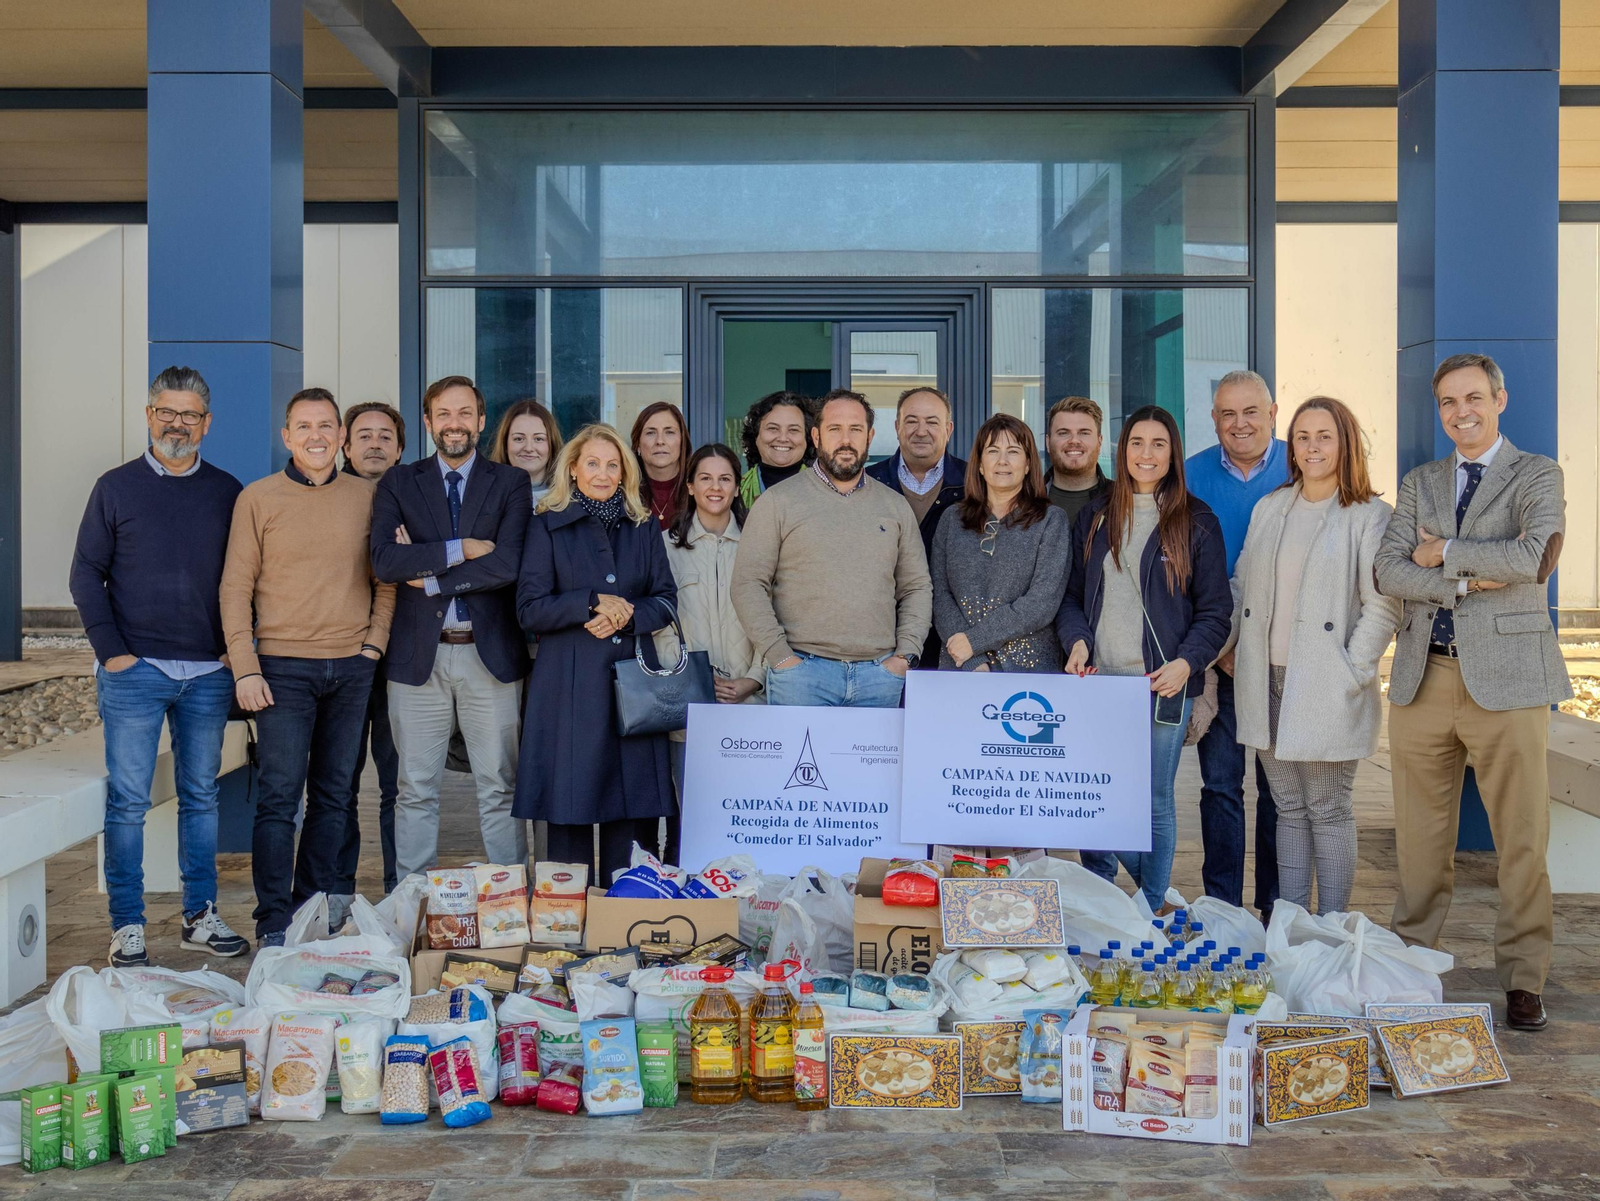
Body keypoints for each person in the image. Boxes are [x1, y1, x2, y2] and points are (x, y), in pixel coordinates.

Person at [1375, 352, 1571, 1032]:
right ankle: (1411, 962)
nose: (1461, 411)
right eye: (1448, 402)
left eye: (1473, 398)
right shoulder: (1421, 481)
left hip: (1511, 683)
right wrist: (1461, 579)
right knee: (1421, 843)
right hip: (1424, 677)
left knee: (1521, 838)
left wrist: (1444, 551)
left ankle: (1523, 979)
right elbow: (1389, 570)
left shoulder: (1537, 473)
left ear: (1500, 398)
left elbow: (1530, 558)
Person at [69, 365, 249, 967]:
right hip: (135, 670)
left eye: (189, 415)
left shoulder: (228, 491)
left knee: (201, 797)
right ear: (149, 417)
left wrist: (233, 646)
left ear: (207, 422)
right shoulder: (115, 487)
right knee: (128, 801)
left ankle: (199, 915)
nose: (178, 424)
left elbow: (248, 576)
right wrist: (111, 651)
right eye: (166, 413)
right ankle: (128, 925)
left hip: (206, 672)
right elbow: (85, 575)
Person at [220, 388, 395, 946]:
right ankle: (273, 922)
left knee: (336, 796)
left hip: (350, 668)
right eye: (304, 426)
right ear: (287, 436)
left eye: (326, 426)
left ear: (341, 437)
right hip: (281, 670)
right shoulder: (258, 498)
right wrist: (246, 667)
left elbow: (384, 580)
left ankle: (312, 909)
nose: (316, 436)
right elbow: (234, 588)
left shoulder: (368, 498)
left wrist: (373, 646)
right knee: (278, 798)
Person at [1056, 405, 1231, 912]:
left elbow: (1217, 611)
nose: (1147, 454)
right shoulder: (1095, 516)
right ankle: (1103, 899)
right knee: (1096, 797)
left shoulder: (1197, 522)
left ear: (1172, 452)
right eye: (1137, 443)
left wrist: (1187, 663)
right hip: (1100, 684)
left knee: (1153, 802)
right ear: (1123, 450)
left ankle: (1150, 905)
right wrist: (1078, 643)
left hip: (1163, 686)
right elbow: (1070, 598)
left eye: (1158, 444)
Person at [1229, 397, 1400, 915]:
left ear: (1345, 442)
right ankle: (1294, 924)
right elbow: (1241, 586)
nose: (1312, 447)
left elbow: (1384, 604)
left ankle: (1332, 928)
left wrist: (1353, 668)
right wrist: (1228, 646)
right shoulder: (1271, 507)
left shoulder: (1369, 516)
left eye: (1324, 436)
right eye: (1302, 436)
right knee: (1288, 807)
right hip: (1265, 678)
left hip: (1327, 680)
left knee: (1327, 809)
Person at [370, 376, 532, 885]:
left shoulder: (510, 483)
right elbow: (384, 560)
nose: (454, 424)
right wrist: (462, 548)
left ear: (481, 421)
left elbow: (508, 563)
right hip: (419, 658)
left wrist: (432, 579)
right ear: (427, 422)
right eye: (444, 414)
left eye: (465, 413)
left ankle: (510, 900)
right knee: (414, 787)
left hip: (491, 658)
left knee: (499, 786)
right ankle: (411, 903)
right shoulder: (398, 482)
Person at [516, 424, 678, 883]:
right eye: (593, 463)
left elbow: (666, 599)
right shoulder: (546, 522)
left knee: (631, 822)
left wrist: (626, 614)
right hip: (569, 691)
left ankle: (626, 918)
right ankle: (566, 926)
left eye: (613, 465)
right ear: (573, 468)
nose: (603, 473)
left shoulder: (643, 524)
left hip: (632, 690)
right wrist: (590, 602)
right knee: (569, 811)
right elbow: (529, 608)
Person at [732, 389, 932, 707]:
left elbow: (917, 587)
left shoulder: (894, 506)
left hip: (878, 678)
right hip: (800, 677)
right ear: (816, 435)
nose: (846, 440)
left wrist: (904, 656)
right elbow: (747, 584)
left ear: (870, 436)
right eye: (834, 429)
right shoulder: (778, 501)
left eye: (855, 429)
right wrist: (780, 657)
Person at [1184, 369, 1290, 919]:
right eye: (1228, 413)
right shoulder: (1191, 474)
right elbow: (1177, 569)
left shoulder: (1306, 464)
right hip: (1216, 654)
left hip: (1283, 658)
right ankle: (1222, 908)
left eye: (1251, 412)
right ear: (1214, 419)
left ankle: (1275, 908)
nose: (1240, 423)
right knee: (1221, 786)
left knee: (1278, 792)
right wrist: (1214, 651)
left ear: (1273, 412)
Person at [654, 444, 765, 839]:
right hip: (690, 712)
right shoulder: (665, 545)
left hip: (750, 708)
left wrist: (753, 679)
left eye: (724, 478)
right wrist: (694, 680)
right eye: (705, 478)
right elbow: (660, 624)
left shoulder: (761, 544)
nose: (715, 487)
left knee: (752, 819)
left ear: (737, 488)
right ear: (689, 486)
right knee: (695, 823)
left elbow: (777, 620)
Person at [930, 414, 1072, 672]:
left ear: (1028, 464)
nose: (1002, 461)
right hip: (963, 669)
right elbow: (940, 595)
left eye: (1014, 451)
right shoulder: (952, 519)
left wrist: (974, 641)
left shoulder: (1051, 521)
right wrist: (972, 659)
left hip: (1028, 678)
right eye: (993, 450)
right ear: (981, 465)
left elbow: (1042, 602)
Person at [337, 401, 406, 897]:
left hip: (401, 660)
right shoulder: (326, 495)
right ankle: (336, 891)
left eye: (386, 436)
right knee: (337, 782)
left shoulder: (415, 495)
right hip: (338, 657)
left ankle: (396, 891)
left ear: (400, 447)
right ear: (345, 443)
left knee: (398, 787)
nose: (375, 443)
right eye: (365, 435)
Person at [866, 386, 968, 669]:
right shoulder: (867, 484)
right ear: (897, 427)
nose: (921, 431)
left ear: (948, 429)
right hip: (882, 641)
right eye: (911, 421)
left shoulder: (975, 485)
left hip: (955, 641)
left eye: (932, 422)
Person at [738, 391, 815, 506]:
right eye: (773, 428)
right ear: (755, 436)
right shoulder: (734, 492)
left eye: (793, 430)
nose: (783, 438)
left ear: (807, 438)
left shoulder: (824, 491)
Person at [1045, 395, 1112, 524]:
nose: (1074, 440)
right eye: (1063, 433)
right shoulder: (1026, 501)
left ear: (1099, 442)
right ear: (1048, 443)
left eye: (1084, 433)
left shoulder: (1121, 500)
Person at [491, 398, 564, 506]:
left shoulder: (569, 499)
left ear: (552, 444)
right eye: (519, 439)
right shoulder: (486, 496)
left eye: (539, 439)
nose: (529, 448)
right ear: (505, 444)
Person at [632, 401, 691, 528]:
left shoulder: (698, 488)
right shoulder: (624, 492)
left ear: (682, 441)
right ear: (637, 445)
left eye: (669, 432)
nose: (660, 441)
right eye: (650, 433)